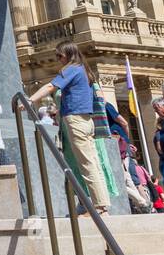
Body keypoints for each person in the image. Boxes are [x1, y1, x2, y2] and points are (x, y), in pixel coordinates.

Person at [27, 42, 110, 216]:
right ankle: (102, 205)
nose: (58, 59)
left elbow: (51, 86)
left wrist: (30, 99)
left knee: (86, 164)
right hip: (87, 121)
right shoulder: (84, 70)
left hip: (75, 120)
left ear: (68, 55)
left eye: (59, 56)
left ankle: (98, 207)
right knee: (93, 163)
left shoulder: (71, 69)